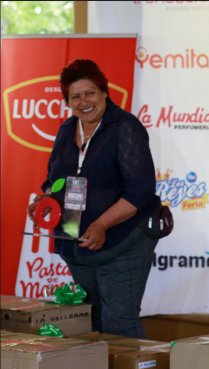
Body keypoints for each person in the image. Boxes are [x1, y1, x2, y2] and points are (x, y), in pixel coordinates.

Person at [27, 59, 159, 338]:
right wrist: (45, 201)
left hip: (123, 242)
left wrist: (102, 224)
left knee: (119, 322)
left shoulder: (125, 127)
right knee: (91, 321)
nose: (83, 101)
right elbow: (55, 180)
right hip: (77, 246)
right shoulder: (66, 130)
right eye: (75, 96)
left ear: (104, 93)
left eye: (90, 93)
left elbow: (140, 191)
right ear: (68, 101)